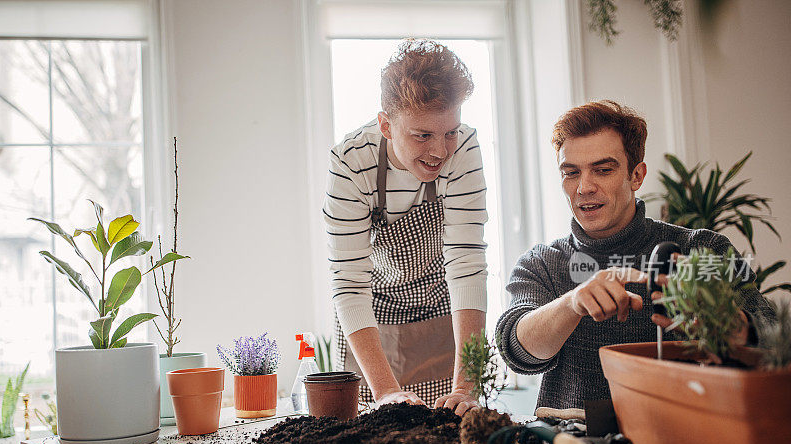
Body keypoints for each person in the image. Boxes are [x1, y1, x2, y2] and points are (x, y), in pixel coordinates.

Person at [495, 100, 775, 410]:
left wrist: (731, 324)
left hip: (685, 438)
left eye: (603, 170)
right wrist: (572, 303)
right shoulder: (541, 263)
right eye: (571, 172)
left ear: (637, 176)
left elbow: (774, 332)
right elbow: (516, 350)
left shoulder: (704, 250)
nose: (584, 187)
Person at [324, 39, 488, 416]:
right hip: (372, 321)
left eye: (449, 131)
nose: (441, 152)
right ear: (386, 125)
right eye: (422, 135)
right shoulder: (351, 162)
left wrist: (466, 386)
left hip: (439, 310)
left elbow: (467, 264)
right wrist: (384, 392)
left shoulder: (462, 149)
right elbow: (349, 281)